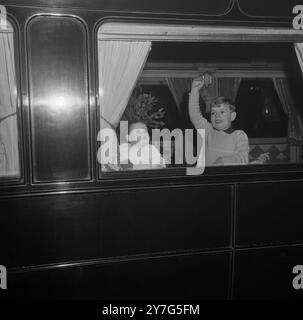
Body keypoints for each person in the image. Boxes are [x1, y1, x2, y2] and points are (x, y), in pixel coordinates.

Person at [189, 76, 249, 166]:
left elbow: (243, 158)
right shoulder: (208, 130)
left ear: (232, 116)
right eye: (213, 113)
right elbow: (195, 115)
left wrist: (223, 161)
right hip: (205, 178)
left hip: (225, 178)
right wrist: (194, 90)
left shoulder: (239, 135)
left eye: (222, 112)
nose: (217, 116)